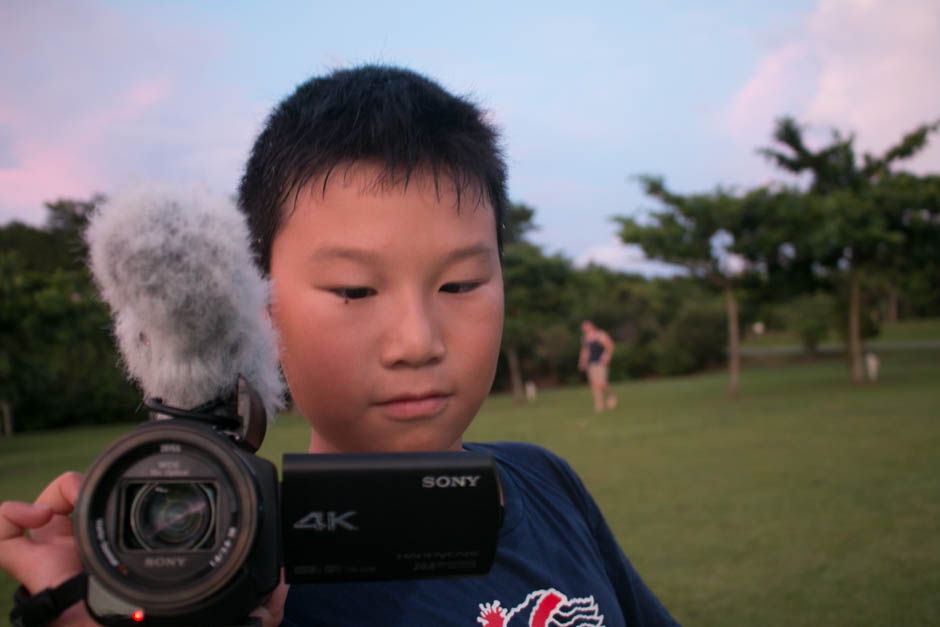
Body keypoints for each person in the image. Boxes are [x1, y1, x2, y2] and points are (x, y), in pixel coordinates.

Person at [0, 65, 679, 626]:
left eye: (461, 282)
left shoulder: (546, 481)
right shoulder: (235, 583)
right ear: (261, 309)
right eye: (354, 290)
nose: (416, 341)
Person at [578, 320, 618, 412]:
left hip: (600, 362)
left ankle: (610, 396)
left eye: (586, 326)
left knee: (601, 383)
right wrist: (582, 362)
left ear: (592, 326)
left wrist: (607, 356)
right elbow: (585, 351)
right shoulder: (585, 338)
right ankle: (598, 405)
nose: (585, 329)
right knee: (594, 385)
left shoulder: (600, 335)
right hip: (591, 363)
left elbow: (610, 346)